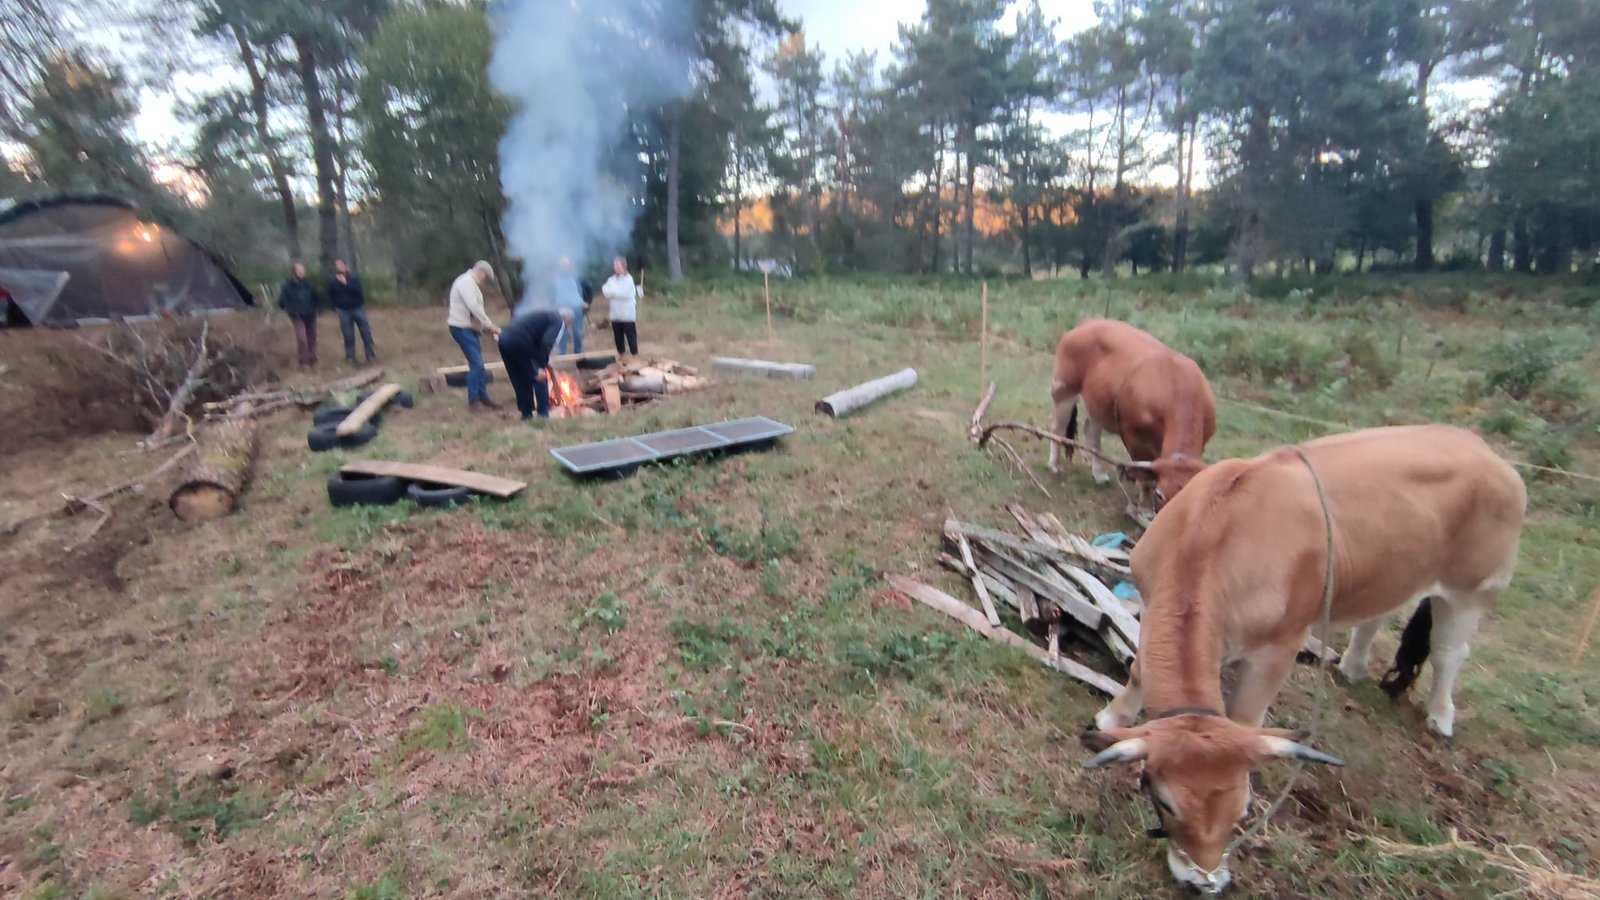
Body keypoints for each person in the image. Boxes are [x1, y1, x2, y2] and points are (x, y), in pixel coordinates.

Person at [498, 307, 573, 420]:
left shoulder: (545, 315)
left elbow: (537, 340)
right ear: (567, 320)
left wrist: (543, 360)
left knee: (520, 378)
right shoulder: (558, 320)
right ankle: (543, 415)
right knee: (540, 377)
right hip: (520, 342)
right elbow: (547, 342)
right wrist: (542, 365)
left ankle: (526, 415)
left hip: (503, 340)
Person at [447, 261, 502, 411]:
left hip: (469, 328)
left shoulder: (470, 283)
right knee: (477, 364)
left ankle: (483, 396)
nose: (484, 283)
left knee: (478, 364)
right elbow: (474, 307)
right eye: (485, 279)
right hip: (461, 328)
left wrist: (485, 328)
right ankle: (474, 400)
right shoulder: (466, 282)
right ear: (482, 273)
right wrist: (490, 325)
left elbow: (474, 312)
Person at [329, 258, 377, 364]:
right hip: (343, 311)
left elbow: (359, 291)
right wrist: (335, 307)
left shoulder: (354, 278)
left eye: (341, 265)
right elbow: (331, 295)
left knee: (365, 332)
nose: (339, 267)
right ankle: (350, 357)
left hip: (358, 308)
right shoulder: (333, 281)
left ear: (346, 266)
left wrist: (346, 283)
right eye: (337, 265)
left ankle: (370, 355)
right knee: (348, 335)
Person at [277, 261, 320, 368]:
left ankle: (312, 358)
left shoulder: (309, 284)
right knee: (301, 338)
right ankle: (304, 362)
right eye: (299, 270)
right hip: (297, 315)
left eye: (303, 269)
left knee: (312, 337)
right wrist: (290, 310)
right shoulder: (288, 285)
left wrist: (317, 308)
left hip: (310, 314)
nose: (302, 271)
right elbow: (282, 301)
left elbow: (316, 297)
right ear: (294, 271)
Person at [552, 255, 592, 355]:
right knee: (562, 332)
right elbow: (551, 292)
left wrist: (588, 302)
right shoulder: (556, 278)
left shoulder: (577, 277)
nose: (565, 266)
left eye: (566, 264)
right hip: (561, 309)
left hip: (576, 309)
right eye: (563, 264)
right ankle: (562, 354)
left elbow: (589, 288)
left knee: (577, 331)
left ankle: (579, 356)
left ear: (570, 264)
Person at [602, 255, 640, 358]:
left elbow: (625, 294)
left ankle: (634, 357)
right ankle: (621, 357)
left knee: (631, 337)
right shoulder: (611, 280)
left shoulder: (629, 279)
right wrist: (614, 293)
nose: (616, 267)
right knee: (618, 338)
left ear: (624, 266)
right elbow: (605, 291)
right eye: (615, 265)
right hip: (615, 314)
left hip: (627, 315)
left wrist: (613, 293)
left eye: (618, 265)